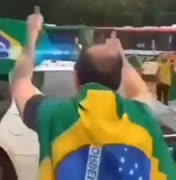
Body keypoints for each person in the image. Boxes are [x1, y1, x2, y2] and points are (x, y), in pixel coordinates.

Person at [11, 11, 176, 180]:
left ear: (76, 79)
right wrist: (121, 57)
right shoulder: (140, 116)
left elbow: (20, 83)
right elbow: (140, 91)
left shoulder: (55, 115)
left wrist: (31, 35)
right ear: (119, 81)